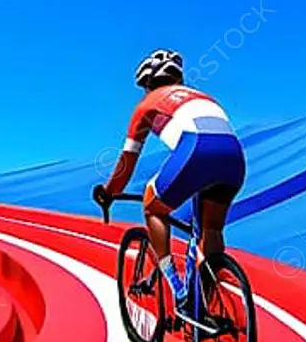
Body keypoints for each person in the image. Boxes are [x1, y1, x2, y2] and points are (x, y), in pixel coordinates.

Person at [94, 49, 246, 309]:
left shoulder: (145, 105)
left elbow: (126, 163)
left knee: (152, 204)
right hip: (234, 157)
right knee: (210, 230)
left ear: (149, 83)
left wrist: (108, 193)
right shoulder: (204, 96)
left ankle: (177, 288)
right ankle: (205, 307)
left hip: (198, 149)